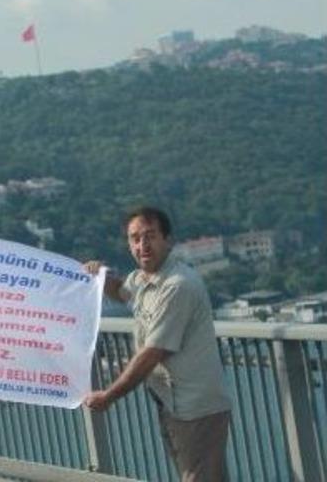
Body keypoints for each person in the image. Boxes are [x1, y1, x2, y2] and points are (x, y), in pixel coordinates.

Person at [83, 206, 231, 482]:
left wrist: (109, 396)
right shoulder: (142, 279)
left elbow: (152, 352)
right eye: (135, 238)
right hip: (172, 403)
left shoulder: (178, 285)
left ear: (168, 240)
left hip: (196, 407)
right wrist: (101, 277)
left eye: (150, 236)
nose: (142, 245)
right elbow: (122, 292)